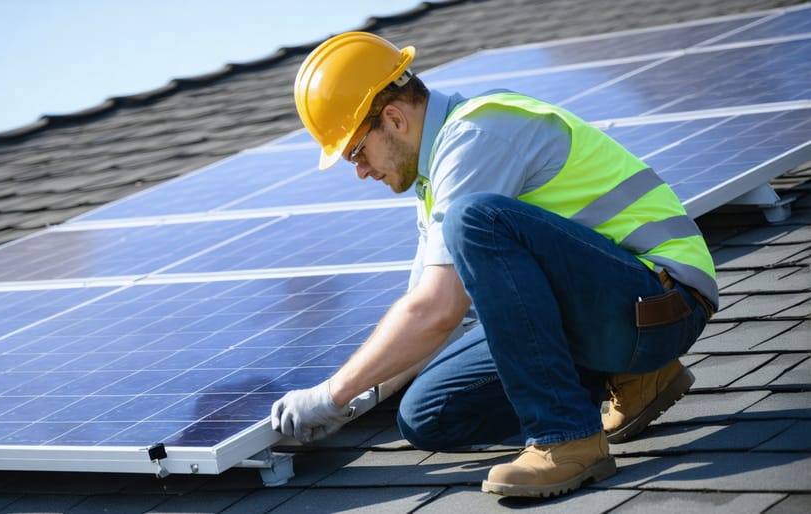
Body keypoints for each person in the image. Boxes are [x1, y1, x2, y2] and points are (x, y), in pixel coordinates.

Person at [270, 31, 717, 498]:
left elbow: (435, 309)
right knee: (426, 414)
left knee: (474, 219)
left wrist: (331, 394)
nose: (359, 170)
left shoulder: (476, 136)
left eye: (356, 152)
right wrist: (354, 399)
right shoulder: (435, 180)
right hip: (612, 312)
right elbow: (432, 321)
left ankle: (566, 438)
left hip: (663, 301)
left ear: (394, 118)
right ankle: (634, 374)